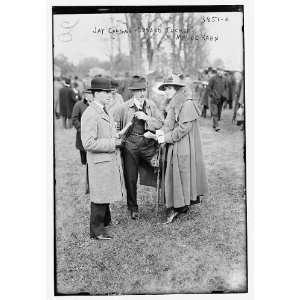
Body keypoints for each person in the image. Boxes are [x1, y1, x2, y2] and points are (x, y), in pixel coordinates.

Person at [144, 74, 208, 224]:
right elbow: (168, 125)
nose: (166, 90)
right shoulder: (173, 103)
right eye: (165, 87)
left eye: (168, 87)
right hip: (175, 142)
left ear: (177, 88)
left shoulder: (186, 104)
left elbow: (183, 128)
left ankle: (179, 205)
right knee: (176, 173)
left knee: (181, 173)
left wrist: (163, 138)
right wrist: (157, 134)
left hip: (183, 144)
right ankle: (180, 204)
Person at [113, 75, 163, 220]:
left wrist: (146, 118)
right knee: (130, 178)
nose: (141, 93)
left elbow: (161, 123)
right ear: (133, 92)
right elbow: (115, 128)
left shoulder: (151, 105)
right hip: (130, 147)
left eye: (143, 90)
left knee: (163, 167)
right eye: (138, 90)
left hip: (149, 145)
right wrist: (120, 140)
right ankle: (133, 207)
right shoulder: (123, 108)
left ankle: (169, 201)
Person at [81, 76, 124, 240]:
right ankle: (97, 231)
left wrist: (117, 135)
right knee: (99, 196)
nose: (109, 95)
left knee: (105, 192)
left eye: (110, 92)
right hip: (99, 163)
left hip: (106, 161)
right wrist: (113, 143)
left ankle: (105, 222)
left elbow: (104, 133)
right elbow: (88, 143)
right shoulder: (91, 113)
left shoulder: (103, 109)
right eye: (106, 92)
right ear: (96, 93)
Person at [206, 67, 228, 131]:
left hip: (221, 99)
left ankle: (214, 124)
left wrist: (224, 95)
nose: (221, 72)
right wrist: (212, 95)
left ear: (223, 72)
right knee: (215, 112)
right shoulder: (213, 78)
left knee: (218, 113)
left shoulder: (225, 79)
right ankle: (217, 126)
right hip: (214, 99)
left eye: (222, 71)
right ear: (217, 71)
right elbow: (209, 88)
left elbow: (226, 88)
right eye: (219, 70)